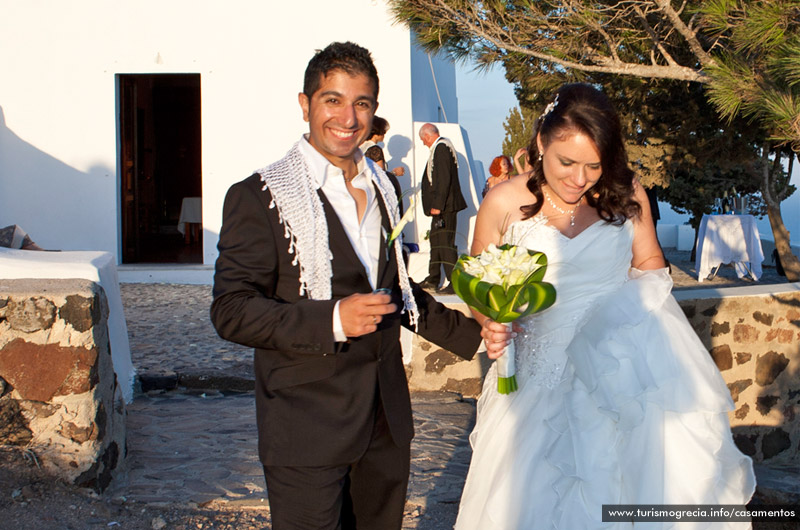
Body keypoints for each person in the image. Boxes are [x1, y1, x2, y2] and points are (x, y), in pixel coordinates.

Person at [455, 83, 755, 529]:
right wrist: (491, 321)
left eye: (594, 165)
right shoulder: (503, 201)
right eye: (567, 163)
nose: (580, 179)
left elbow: (651, 263)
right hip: (534, 379)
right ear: (540, 143)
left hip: (617, 372)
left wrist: (636, 308)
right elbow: (477, 280)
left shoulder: (627, 193)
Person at [210, 42, 482, 530]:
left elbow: (394, 291)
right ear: (305, 104)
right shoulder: (259, 196)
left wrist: (476, 334)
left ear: (374, 110)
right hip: (304, 423)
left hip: (384, 422)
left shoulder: (385, 186)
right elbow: (231, 309)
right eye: (332, 99)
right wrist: (333, 319)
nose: (348, 117)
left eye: (362, 103)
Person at [418, 123, 467, 292]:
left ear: (427, 136)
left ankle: (455, 283)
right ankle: (433, 278)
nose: (424, 143)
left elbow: (444, 179)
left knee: (445, 244)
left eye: (423, 140)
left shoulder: (441, 149)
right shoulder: (440, 148)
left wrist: (438, 206)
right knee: (436, 242)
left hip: (445, 207)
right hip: (442, 207)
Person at [361, 115, 404, 214]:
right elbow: (381, 176)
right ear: (377, 132)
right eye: (383, 131)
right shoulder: (375, 149)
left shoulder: (361, 148)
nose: (384, 134)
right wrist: (394, 173)